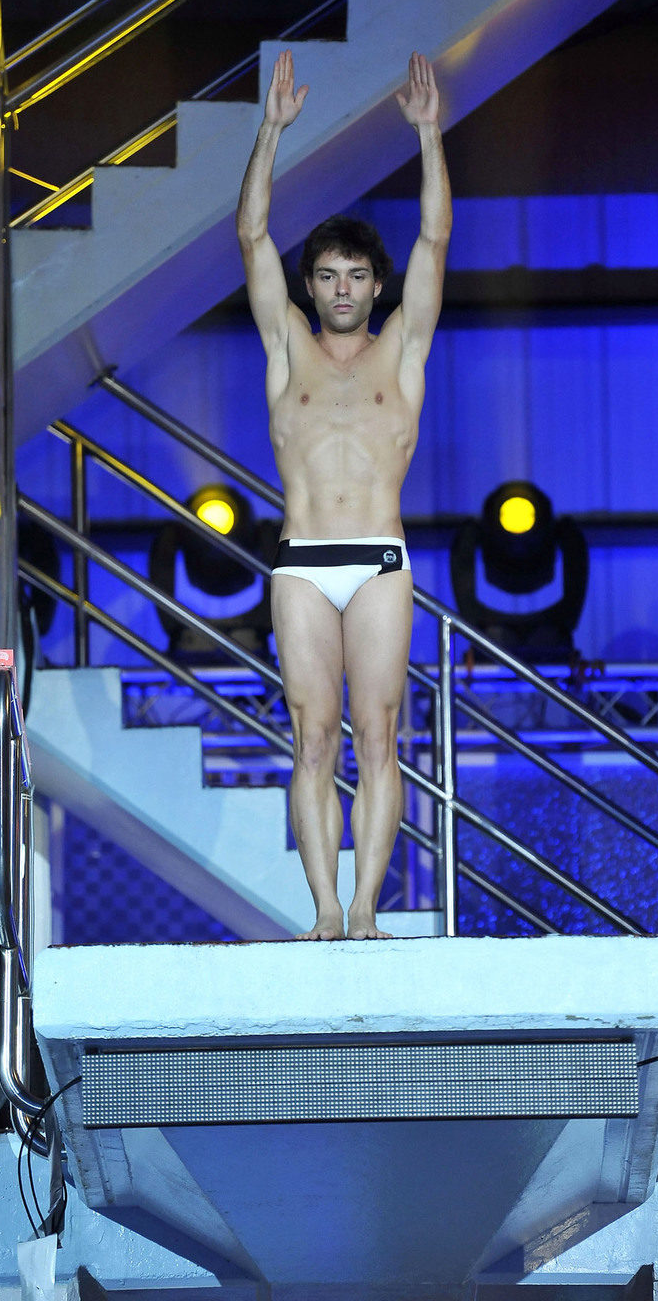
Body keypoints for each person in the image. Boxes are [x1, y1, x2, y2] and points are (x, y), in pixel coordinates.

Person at [236, 49, 451, 939]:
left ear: (375, 285)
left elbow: (435, 240)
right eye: (325, 276)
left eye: (356, 276)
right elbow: (252, 237)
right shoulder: (285, 347)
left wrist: (430, 138)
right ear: (311, 285)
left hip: (379, 561)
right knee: (312, 734)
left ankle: (367, 911)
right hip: (301, 562)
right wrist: (271, 132)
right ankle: (324, 909)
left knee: (380, 732)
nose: (340, 290)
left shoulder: (403, 351)